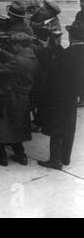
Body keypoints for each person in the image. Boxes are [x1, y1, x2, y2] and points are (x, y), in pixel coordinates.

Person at [0, 33, 39, 167]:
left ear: (18, 45)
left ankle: (1, 156)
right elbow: (16, 59)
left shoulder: (20, 61)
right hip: (22, 97)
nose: (11, 47)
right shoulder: (31, 56)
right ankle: (20, 155)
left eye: (13, 45)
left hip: (8, 96)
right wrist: (0, 51)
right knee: (15, 127)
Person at [38, 21, 84, 170]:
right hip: (74, 96)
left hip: (60, 95)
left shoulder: (68, 54)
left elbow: (52, 69)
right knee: (69, 127)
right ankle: (65, 158)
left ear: (71, 37)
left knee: (57, 127)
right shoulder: (77, 52)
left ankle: (55, 160)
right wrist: (57, 47)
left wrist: (46, 50)